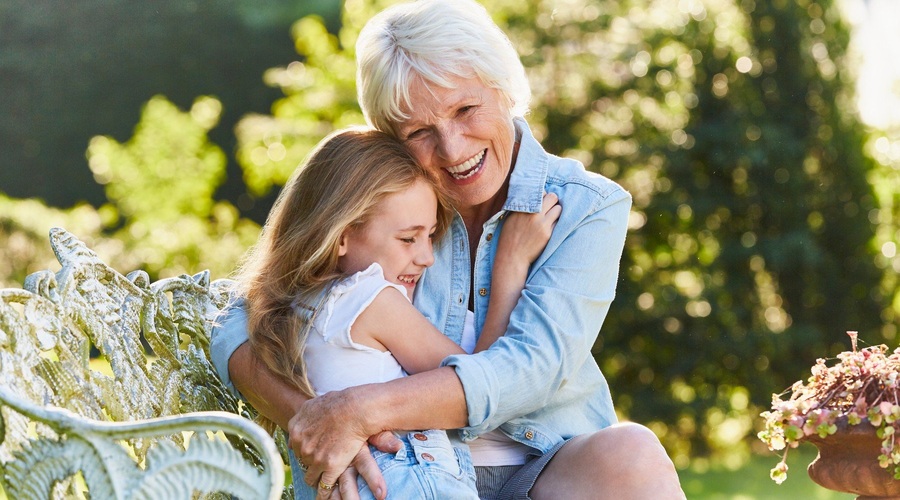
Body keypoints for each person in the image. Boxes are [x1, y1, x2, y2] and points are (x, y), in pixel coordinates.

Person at [211, 1, 686, 498]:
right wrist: (313, 418)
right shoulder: (380, 208)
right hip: (400, 474)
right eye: (418, 132)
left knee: (634, 453)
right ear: (390, 137)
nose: (453, 149)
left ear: (502, 88)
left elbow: (528, 372)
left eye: (466, 109)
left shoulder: (586, 207)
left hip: (546, 469)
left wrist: (359, 410)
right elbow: (238, 322)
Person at [233, 126, 561, 499]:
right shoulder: (371, 299)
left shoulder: (292, 307)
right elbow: (480, 384)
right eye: (408, 238)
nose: (426, 257)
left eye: (430, 235)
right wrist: (510, 263)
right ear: (341, 235)